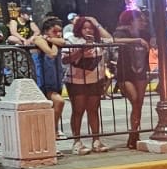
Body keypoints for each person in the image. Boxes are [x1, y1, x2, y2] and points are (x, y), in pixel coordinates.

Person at [62, 16, 113, 154]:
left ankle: (96, 140)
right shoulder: (72, 40)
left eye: (91, 28)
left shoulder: (98, 41)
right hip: (76, 80)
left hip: (95, 79)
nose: (88, 30)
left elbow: (110, 40)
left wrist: (97, 23)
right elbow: (65, 59)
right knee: (78, 110)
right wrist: (81, 50)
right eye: (85, 28)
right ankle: (77, 141)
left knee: (93, 110)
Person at [112, 10, 153, 149]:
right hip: (125, 71)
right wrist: (137, 40)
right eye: (139, 20)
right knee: (134, 99)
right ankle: (134, 132)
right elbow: (114, 40)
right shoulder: (122, 33)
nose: (143, 22)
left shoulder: (145, 34)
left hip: (141, 70)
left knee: (139, 103)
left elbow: (153, 44)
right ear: (131, 21)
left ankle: (134, 133)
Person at [28, 19, 67, 134]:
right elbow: (51, 54)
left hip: (54, 80)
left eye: (60, 31)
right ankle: (52, 131)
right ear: (46, 31)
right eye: (54, 31)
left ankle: (52, 131)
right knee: (58, 102)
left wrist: (51, 39)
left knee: (53, 106)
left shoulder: (52, 40)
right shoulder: (38, 39)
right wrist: (54, 42)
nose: (58, 34)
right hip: (41, 81)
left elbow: (63, 42)